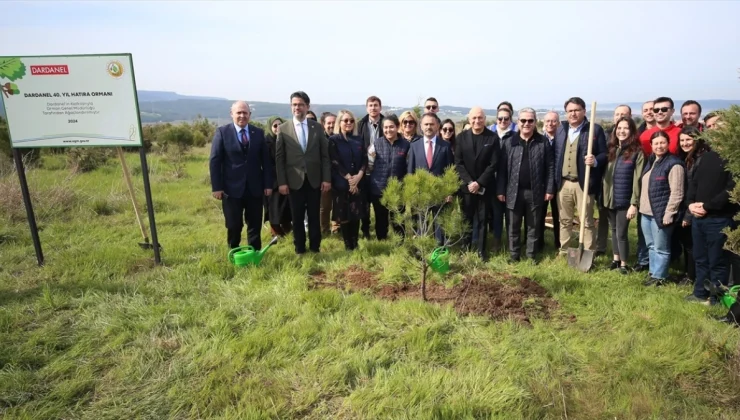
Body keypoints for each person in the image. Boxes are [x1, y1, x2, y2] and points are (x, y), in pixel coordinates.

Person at [209, 101, 273, 250]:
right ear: (232, 114)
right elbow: (215, 161)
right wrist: (216, 187)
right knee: (233, 225)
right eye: (239, 113)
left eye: (245, 113)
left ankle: (255, 254)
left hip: (255, 188)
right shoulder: (222, 133)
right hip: (231, 189)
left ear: (249, 115)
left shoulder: (258, 133)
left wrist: (268, 184)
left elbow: (266, 162)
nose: (242, 116)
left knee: (255, 224)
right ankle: (234, 252)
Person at [684, 126, 737, 303]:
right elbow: (694, 183)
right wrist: (690, 205)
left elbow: (731, 190)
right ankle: (700, 293)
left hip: (719, 218)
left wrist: (707, 206)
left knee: (718, 260)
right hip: (699, 218)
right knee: (700, 258)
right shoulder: (705, 157)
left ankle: (716, 298)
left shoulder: (734, 160)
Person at [275, 91, 331, 255]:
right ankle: (300, 249)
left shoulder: (317, 127)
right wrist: (282, 182)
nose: (297, 107)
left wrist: (326, 178)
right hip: (293, 181)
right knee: (297, 217)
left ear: (307, 106)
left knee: (314, 216)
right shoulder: (283, 129)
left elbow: (324, 156)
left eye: (300, 104)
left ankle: (315, 248)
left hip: (314, 180)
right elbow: (280, 159)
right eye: (294, 104)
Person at [497, 108, 554, 263]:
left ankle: (531, 256)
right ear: (518, 122)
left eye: (530, 121)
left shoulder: (543, 142)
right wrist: (501, 189)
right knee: (513, 226)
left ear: (535, 122)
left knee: (533, 226)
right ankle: (514, 255)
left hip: (535, 191)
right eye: (523, 120)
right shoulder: (510, 143)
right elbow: (502, 169)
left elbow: (550, 167)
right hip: (513, 191)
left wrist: (549, 188)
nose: (526, 124)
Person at [553, 97, 607, 255]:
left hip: (583, 183)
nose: (573, 113)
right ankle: (564, 251)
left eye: (576, 110)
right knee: (564, 220)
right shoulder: (561, 129)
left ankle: (588, 252)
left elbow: (605, 153)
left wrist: (596, 160)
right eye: (570, 111)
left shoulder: (594, 130)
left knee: (587, 221)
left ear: (584, 111)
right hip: (563, 183)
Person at [640, 130, 686, 286]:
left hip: (660, 213)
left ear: (668, 144)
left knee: (661, 247)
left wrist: (670, 213)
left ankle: (660, 277)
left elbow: (677, 192)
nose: (659, 146)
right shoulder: (652, 161)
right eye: (656, 143)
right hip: (646, 213)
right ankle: (654, 273)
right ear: (651, 145)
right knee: (651, 245)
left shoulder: (674, 164)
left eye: (662, 143)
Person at [455, 107, 500, 261]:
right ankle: (465, 249)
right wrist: (469, 182)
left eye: (480, 118)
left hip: (484, 187)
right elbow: (459, 163)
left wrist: (479, 182)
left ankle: (481, 251)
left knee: (482, 220)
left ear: (485, 119)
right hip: (466, 187)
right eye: (474, 118)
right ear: (469, 119)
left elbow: (493, 164)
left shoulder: (492, 138)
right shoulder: (461, 138)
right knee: (466, 219)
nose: (477, 121)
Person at [601, 117, 645, 274]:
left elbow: (638, 179)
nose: (622, 131)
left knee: (621, 233)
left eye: (626, 128)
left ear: (632, 131)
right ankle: (616, 259)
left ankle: (624, 265)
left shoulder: (636, 153)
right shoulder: (612, 150)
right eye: (619, 128)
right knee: (613, 230)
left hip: (624, 200)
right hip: (610, 199)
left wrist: (634, 203)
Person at [408, 112, 454, 244]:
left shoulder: (445, 146)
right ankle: (421, 253)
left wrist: (449, 192)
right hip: (420, 194)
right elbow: (411, 171)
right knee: (421, 225)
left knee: (440, 225)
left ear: (438, 126)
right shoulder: (414, 146)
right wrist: (412, 192)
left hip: (440, 194)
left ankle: (439, 251)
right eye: (426, 124)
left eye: (432, 124)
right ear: (421, 126)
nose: (429, 127)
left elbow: (449, 171)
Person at [329, 110, 368, 250]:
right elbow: (334, 161)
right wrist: (349, 178)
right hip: (341, 183)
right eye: (345, 120)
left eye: (351, 120)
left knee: (356, 213)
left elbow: (364, 159)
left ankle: (355, 243)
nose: (349, 123)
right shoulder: (333, 140)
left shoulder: (358, 139)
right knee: (344, 214)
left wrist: (358, 176)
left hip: (358, 182)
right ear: (339, 122)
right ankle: (347, 244)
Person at [369, 114, 410, 240]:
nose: (388, 130)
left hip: (398, 189)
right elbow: (370, 165)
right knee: (380, 219)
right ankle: (382, 243)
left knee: (398, 219)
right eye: (385, 127)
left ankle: (399, 243)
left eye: (391, 127)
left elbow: (408, 166)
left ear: (397, 127)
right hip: (379, 188)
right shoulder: (376, 144)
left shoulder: (406, 145)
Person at [674, 126, 704, 285]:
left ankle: (692, 276)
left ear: (697, 140)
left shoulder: (699, 160)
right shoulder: (686, 158)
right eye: (682, 140)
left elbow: (695, 190)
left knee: (692, 246)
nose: (685, 143)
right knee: (686, 243)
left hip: (692, 209)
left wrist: (688, 215)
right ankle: (687, 273)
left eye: (688, 140)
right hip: (685, 207)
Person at [489, 106, 517, 252]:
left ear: (510, 120)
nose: (503, 121)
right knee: (496, 214)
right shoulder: (491, 135)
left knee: (511, 215)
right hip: (492, 181)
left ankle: (512, 243)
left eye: (506, 119)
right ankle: (496, 241)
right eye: (500, 118)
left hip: (511, 181)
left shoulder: (515, 137)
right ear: (496, 119)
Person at [357, 96, 385, 240]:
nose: (373, 108)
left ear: (380, 107)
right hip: (365, 168)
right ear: (366, 107)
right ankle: (366, 230)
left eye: (376, 105)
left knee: (380, 203)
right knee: (364, 202)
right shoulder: (361, 124)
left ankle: (382, 232)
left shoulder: (386, 122)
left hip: (381, 167)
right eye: (370, 105)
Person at [264, 116, 292, 237]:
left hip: (286, 179)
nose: (278, 128)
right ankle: (275, 230)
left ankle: (286, 228)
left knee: (286, 207)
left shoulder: (287, 140)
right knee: (274, 208)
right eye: (275, 126)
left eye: (280, 125)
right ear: (270, 127)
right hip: (272, 181)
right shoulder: (266, 142)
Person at [539, 111, 560, 251]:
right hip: (541, 182)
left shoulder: (562, 138)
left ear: (558, 123)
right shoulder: (539, 139)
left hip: (559, 182)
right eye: (547, 121)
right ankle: (539, 243)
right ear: (543, 123)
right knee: (539, 214)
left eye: (553, 121)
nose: (550, 124)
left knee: (558, 214)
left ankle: (559, 243)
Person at [319, 112, 338, 235]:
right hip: (324, 177)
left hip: (339, 177)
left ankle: (336, 227)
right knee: (324, 207)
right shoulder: (319, 139)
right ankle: (324, 229)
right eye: (329, 123)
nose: (331, 125)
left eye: (333, 123)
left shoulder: (341, 138)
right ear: (324, 124)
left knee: (338, 204)